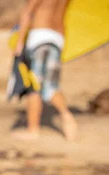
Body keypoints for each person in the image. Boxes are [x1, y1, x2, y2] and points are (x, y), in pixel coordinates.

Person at [13, 0, 78, 141]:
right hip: (58, 37)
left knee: (34, 84)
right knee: (50, 82)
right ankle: (63, 116)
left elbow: (27, 12)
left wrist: (19, 41)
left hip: (40, 36)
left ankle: (36, 129)